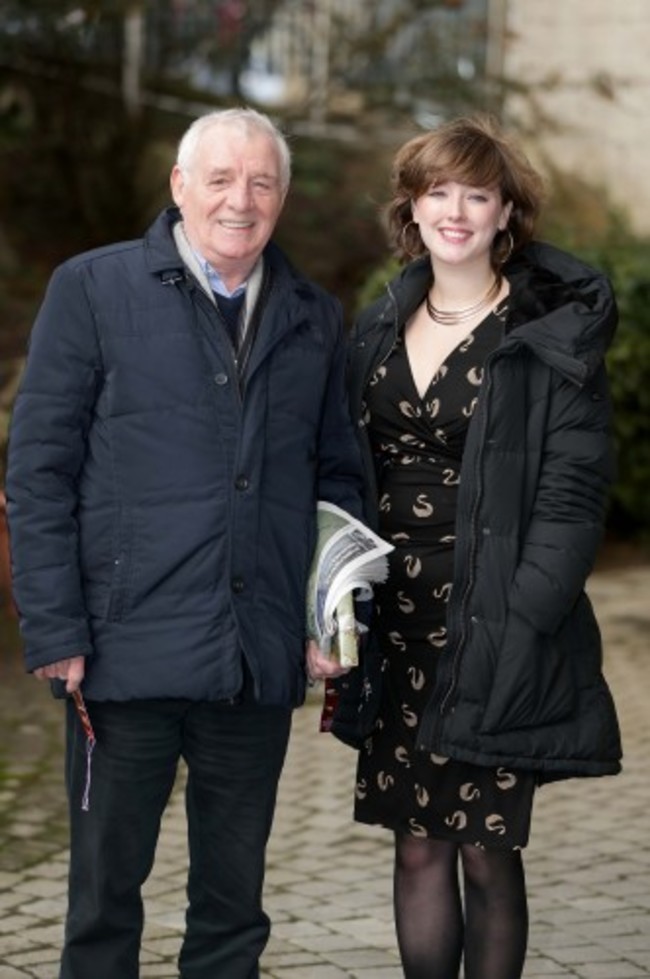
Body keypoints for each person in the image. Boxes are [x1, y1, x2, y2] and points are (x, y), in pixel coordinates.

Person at [6, 107, 362, 979]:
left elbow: (338, 484)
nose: (241, 200)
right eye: (220, 179)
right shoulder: (92, 289)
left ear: (281, 198)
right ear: (179, 186)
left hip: (255, 656)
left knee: (233, 906)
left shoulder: (315, 318)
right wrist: (56, 629)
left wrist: (328, 622)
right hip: (120, 656)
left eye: (262, 182)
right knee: (102, 899)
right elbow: (37, 470)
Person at [331, 115, 622, 979]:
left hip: (494, 617)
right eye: (438, 192)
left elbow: (572, 501)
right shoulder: (380, 323)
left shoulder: (548, 336)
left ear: (506, 213)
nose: (455, 210)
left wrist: (522, 617)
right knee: (417, 847)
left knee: (485, 846)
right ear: (412, 209)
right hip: (399, 623)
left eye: (477, 194)